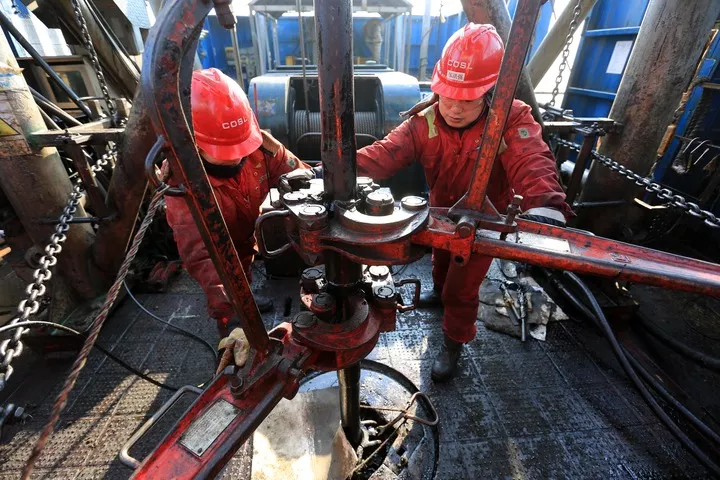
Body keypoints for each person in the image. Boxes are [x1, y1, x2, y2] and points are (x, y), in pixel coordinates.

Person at [355, 23, 573, 382]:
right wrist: (332, 172)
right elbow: (384, 154)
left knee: (462, 289)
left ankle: (453, 344)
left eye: (467, 100)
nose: (454, 109)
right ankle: (439, 294)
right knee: (440, 262)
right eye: (448, 96)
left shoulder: (510, 119)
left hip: (483, 220)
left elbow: (531, 159)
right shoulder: (424, 122)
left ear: (489, 92)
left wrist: (545, 205)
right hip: (440, 212)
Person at [165, 68, 312, 335]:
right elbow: (202, 257)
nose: (236, 157)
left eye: (240, 147)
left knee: (244, 269)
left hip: (246, 242)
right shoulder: (182, 187)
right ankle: (233, 318)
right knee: (233, 317)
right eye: (224, 151)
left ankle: (245, 300)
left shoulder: (260, 148)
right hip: (221, 258)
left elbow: (302, 176)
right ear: (191, 143)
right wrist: (232, 315)